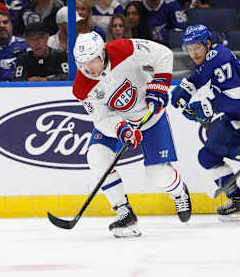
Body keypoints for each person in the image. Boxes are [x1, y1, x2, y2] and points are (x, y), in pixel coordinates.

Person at [72, 31, 192, 237]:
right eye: (82, 63)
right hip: (119, 121)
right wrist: (121, 128)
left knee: (157, 174)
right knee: (96, 155)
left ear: (102, 53)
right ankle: (124, 212)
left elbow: (162, 54)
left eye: (92, 61)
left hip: (150, 114)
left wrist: (160, 84)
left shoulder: (123, 49)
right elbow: (101, 118)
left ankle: (178, 191)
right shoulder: (81, 87)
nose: (88, 68)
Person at [171, 24, 240, 221]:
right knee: (208, 156)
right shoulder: (208, 58)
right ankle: (238, 202)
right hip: (237, 119)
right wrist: (187, 88)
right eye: (190, 48)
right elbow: (201, 75)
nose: (193, 53)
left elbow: (237, 97)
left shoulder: (218, 57)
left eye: (197, 47)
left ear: (208, 43)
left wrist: (207, 107)